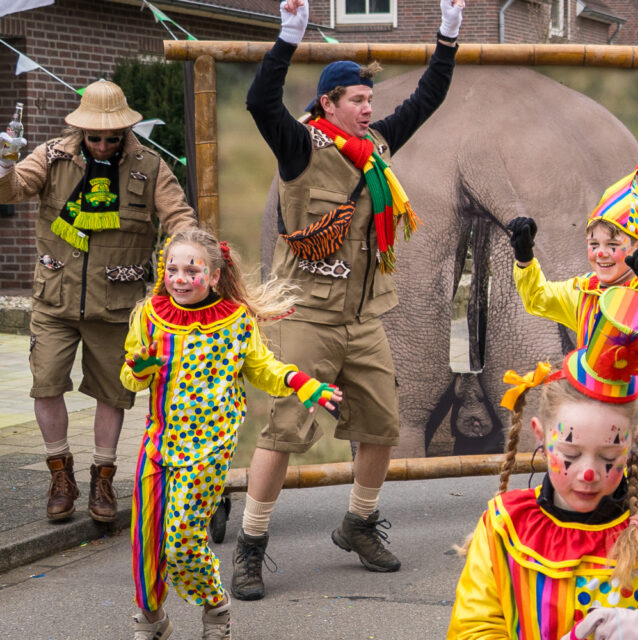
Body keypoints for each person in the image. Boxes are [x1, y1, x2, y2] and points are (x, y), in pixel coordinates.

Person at [231, 0, 464, 600]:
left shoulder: (378, 148)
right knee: (285, 431)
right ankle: (252, 545)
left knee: (384, 424)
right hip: (306, 317)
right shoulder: (300, 148)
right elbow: (259, 102)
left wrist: (448, 34)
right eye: (358, 100)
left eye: (370, 99)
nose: (370, 108)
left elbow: (429, 99)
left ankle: (357, 525)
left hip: (362, 319)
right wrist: (289, 35)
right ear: (328, 103)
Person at [447, 286, 638, 639]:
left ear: (632, 446)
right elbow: (471, 629)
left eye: (607, 457)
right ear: (540, 436)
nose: (588, 474)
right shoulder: (504, 528)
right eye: (570, 455)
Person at [121, 229, 341, 640]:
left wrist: (300, 381)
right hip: (156, 445)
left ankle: (216, 609)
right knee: (146, 541)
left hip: (207, 451)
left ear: (215, 275)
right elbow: (130, 380)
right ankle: (151, 619)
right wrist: (141, 368)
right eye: (172, 268)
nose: (180, 278)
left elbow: (263, 369)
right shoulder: (149, 315)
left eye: (192, 269)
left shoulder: (235, 322)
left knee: (183, 539)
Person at [0, 80, 197, 524]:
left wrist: (190, 251)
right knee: (46, 383)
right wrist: (3, 163)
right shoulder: (52, 156)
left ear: (125, 130)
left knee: (114, 392)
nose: (104, 144)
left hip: (116, 304)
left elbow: (178, 215)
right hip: (54, 297)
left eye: (112, 137)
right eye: (95, 137)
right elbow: (11, 189)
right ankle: (60, 475)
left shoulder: (149, 165)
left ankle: (103, 477)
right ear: (81, 130)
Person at [505, 165, 638, 493]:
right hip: (588, 418)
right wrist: (524, 258)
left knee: (632, 504)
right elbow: (538, 298)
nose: (601, 253)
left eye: (613, 243)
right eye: (594, 243)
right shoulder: (583, 290)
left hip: (636, 422)